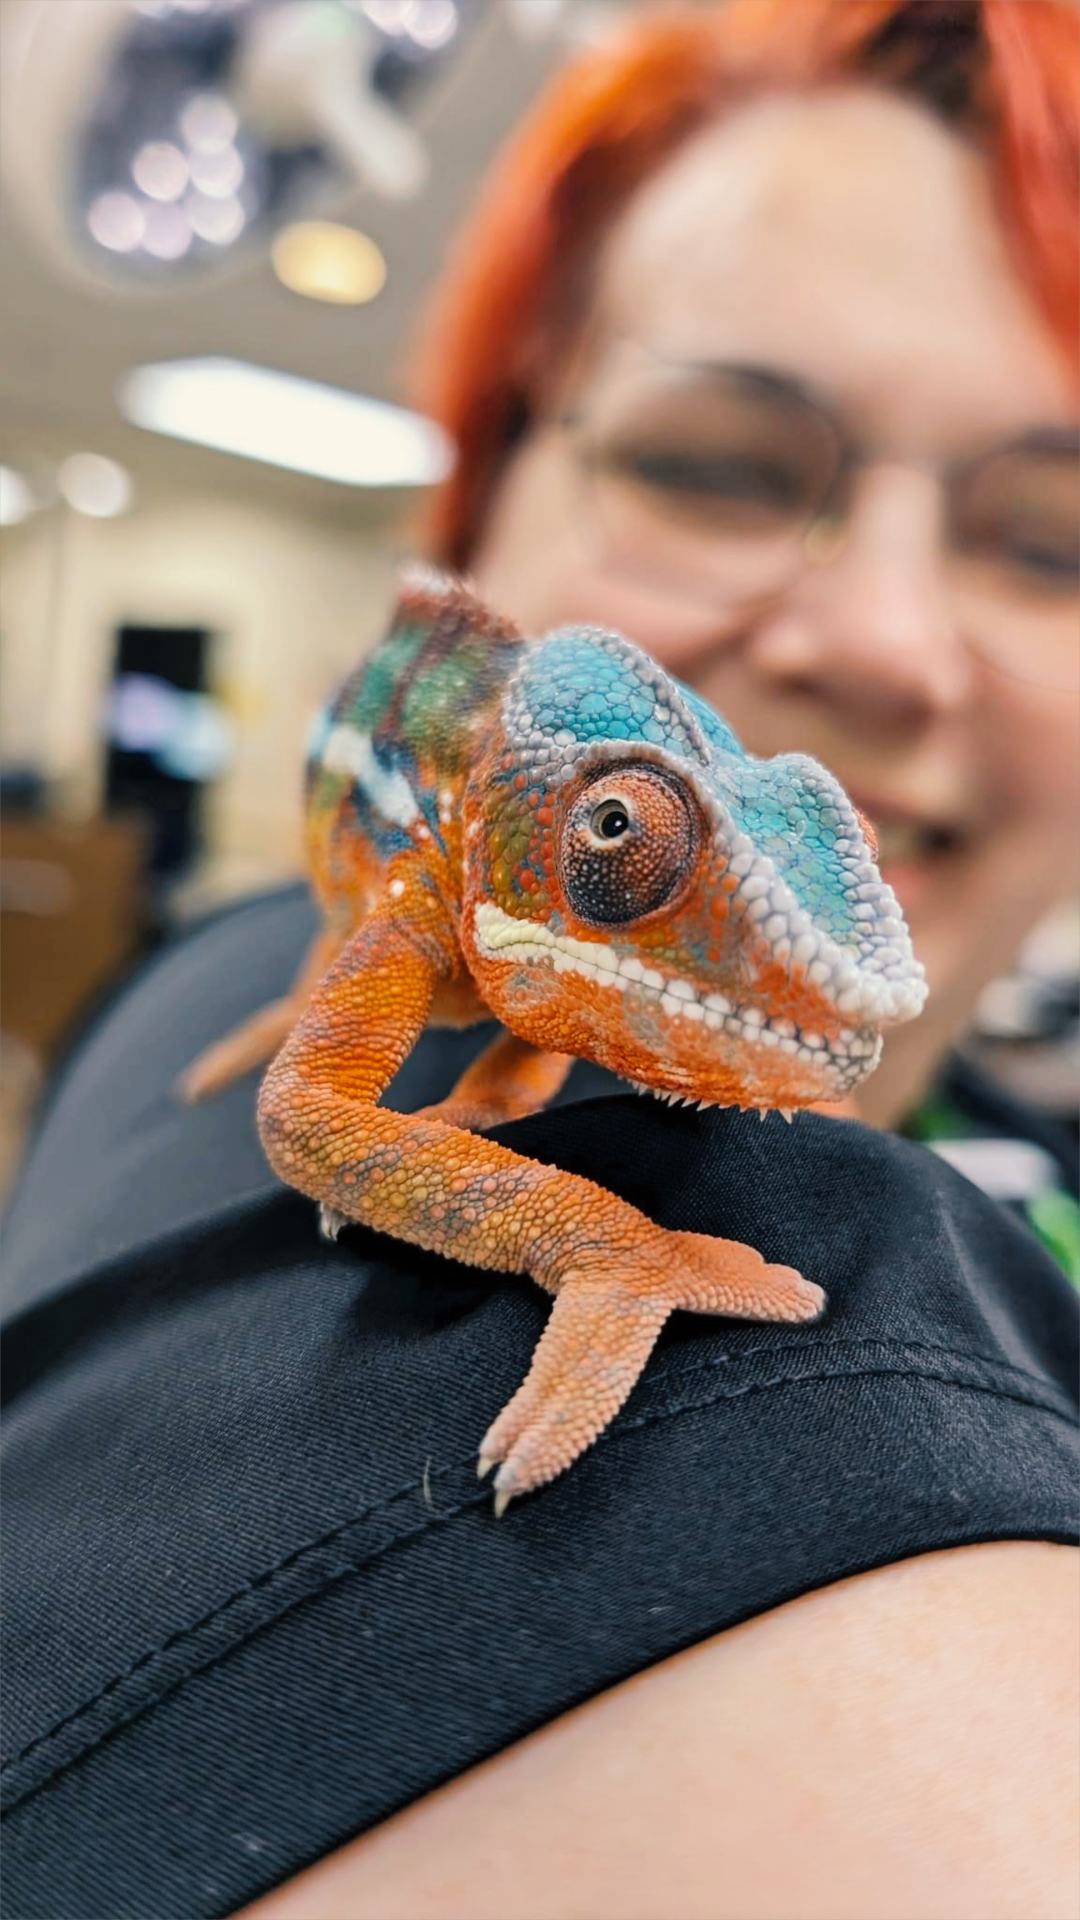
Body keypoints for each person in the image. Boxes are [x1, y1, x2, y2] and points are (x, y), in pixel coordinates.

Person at [3, 6, 1077, 1917]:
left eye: (1060, 540)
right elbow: (313, 1122)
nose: (890, 639)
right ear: (483, 489)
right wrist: (589, 1233)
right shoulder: (382, 897)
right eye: (723, 462)